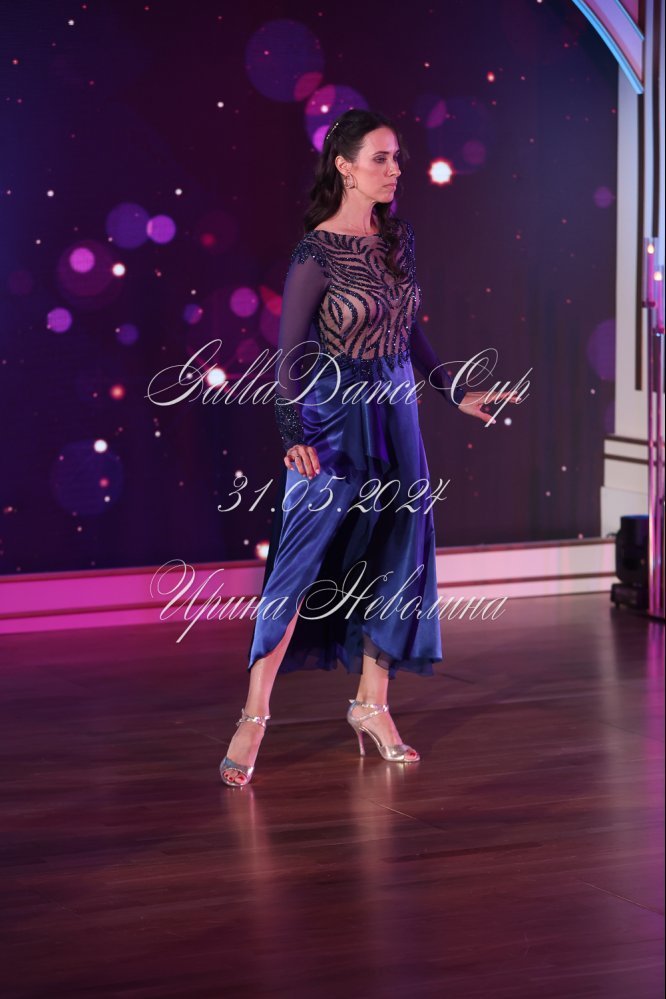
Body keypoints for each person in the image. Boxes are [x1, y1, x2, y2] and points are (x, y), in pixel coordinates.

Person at [220, 108, 518, 787]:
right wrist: (293, 435)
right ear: (345, 167)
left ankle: (371, 704)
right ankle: (254, 715)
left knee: (396, 556)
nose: (395, 170)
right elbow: (288, 355)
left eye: (397, 158)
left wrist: (451, 391)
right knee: (298, 566)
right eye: (381, 158)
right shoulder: (315, 253)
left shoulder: (396, 238)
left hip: (398, 414)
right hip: (333, 420)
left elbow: (409, 330)